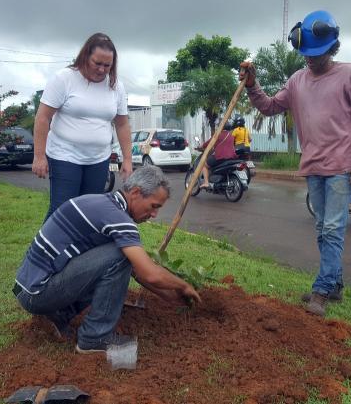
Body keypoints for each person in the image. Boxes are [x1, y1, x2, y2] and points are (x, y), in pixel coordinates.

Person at [239, 10, 351, 316]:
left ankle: (322, 290)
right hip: (313, 166)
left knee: (332, 228)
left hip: (342, 166)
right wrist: (252, 84)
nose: (311, 60)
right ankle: (335, 284)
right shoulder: (297, 80)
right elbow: (270, 106)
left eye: (318, 54)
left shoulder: (349, 74)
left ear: (332, 48)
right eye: (307, 55)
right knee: (321, 228)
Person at [13, 165, 201, 354]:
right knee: (120, 256)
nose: (154, 215)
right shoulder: (117, 218)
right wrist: (183, 286)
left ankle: (59, 315)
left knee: (120, 259)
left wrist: (170, 297)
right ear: (135, 193)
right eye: (154, 206)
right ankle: (95, 338)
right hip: (39, 293)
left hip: (29, 289)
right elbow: (149, 273)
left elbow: (137, 272)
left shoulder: (102, 203)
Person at [32, 33, 133, 221]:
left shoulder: (116, 86)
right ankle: (46, 250)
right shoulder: (64, 78)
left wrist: (127, 159)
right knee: (62, 209)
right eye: (97, 63)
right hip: (64, 154)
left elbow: (122, 123)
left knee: (89, 211)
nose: (102, 70)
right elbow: (42, 118)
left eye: (107, 65)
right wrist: (39, 156)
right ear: (86, 56)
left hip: (98, 158)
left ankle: (80, 251)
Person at [200, 121, 238, 188]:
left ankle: (206, 182)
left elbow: (209, 143)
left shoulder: (218, 135)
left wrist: (202, 146)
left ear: (221, 127)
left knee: (204, 165)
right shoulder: (231, 136)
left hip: (220, 157)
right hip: (231, 157)